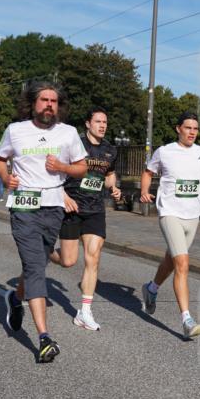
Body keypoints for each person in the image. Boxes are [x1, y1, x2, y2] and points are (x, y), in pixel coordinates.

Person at [0, 81, 87, 362]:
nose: (49, 105)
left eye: (54, 101)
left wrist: (61, 167)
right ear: (33, 103)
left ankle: (15, 298)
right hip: (23, 207)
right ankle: (44, 339)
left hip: (53, 207)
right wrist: (5, 177)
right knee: (36, 268)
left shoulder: (68, 133)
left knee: (38, 263)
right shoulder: (15, 130)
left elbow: (82, 168)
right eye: (44, 100)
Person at [139, 111, 200, 338]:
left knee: (172, 260)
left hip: (193, 215)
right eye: (188, 128)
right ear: (178, 129)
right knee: (182, 263)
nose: (192, 132)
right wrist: (144, 191)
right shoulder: (164, 151)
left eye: (195, 129)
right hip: (169, 212)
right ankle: (187, 320)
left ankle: (151, 288)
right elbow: (148, 173)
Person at [48, 107, 121, 331]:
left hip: (95, 209)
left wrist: (114, 187)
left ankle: (85, 311)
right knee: (68, 261)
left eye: (105, 122)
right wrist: (63, 196)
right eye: (98, 121)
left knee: (93, 257)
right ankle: (45, 249)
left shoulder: (110, 149)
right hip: (72, 206)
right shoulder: (74, 144)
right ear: (88, 124)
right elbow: (54, 172)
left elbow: (109, 175)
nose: (102, 125)